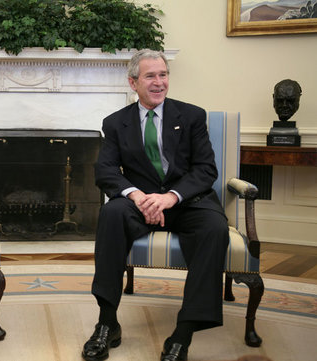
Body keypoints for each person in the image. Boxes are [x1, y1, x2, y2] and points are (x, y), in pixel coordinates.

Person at [81, 49, 230, 361]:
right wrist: (136, 195)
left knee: (215, 228)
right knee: (110, 214)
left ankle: (183, 334)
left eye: (163, 75)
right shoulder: (115, 123)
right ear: (133, 82)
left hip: (188, 202)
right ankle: (107, 323)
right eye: (151, 76)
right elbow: (105, 171)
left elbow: (205, 170)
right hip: (142, 201)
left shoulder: (191, 116)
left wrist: (170, 197)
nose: (159, 82)